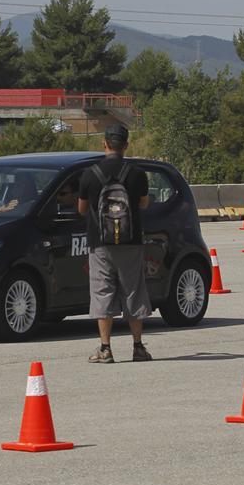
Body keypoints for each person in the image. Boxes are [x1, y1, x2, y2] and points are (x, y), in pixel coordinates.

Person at [78, 123, 150, 363]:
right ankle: (138, 347)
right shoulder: (137, 174)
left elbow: (82, 209)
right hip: (131, 241)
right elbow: (143, 204)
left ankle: (105, 348)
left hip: (100, 243)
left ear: (104, 143)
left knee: (102, 292)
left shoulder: (90, 174)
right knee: (133, 290)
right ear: (126, 146)